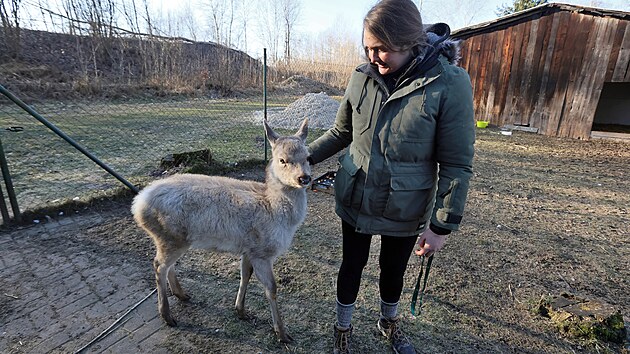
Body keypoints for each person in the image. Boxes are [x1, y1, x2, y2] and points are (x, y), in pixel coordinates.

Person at [306, 0, 475, 353]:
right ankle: (343, 328)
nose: (373, 57)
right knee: (351, 264)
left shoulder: (449, 83)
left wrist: (442, 224)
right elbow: (341, 133)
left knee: (392, 270)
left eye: (382, 49)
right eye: (367, 48)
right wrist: (300, 158)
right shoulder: (360, 77)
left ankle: (389, 322)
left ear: (410, 41)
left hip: (405, 202)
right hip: (357, 193)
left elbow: (457, 163)